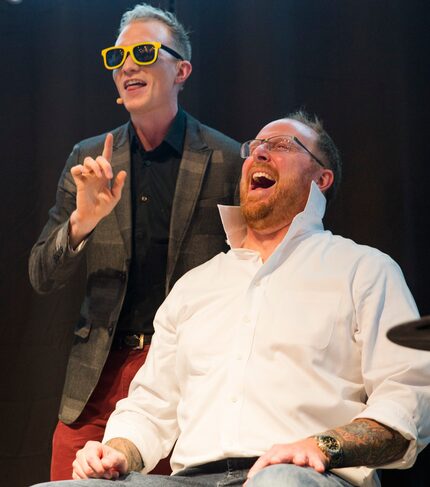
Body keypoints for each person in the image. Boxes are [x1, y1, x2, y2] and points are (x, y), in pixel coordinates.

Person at [32, 112, 430, 487]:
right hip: (191, 480)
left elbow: (409, 392)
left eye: (281, 145)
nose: (258, 151)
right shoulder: (195, 286)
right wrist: (116, 451)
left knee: (279, 481)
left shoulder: (364, 269)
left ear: (321, 178)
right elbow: (151, 406)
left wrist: (322, 446)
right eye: (254, 145)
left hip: (302, 476)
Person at [28, 3, 241, 480]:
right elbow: (42, 273)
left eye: (144, 52)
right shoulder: (88, 158)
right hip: (97, 375)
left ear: (181, 70)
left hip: (183, 376)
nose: (126, 66)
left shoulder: (228, 160)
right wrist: (82, 221)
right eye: (116, 57)